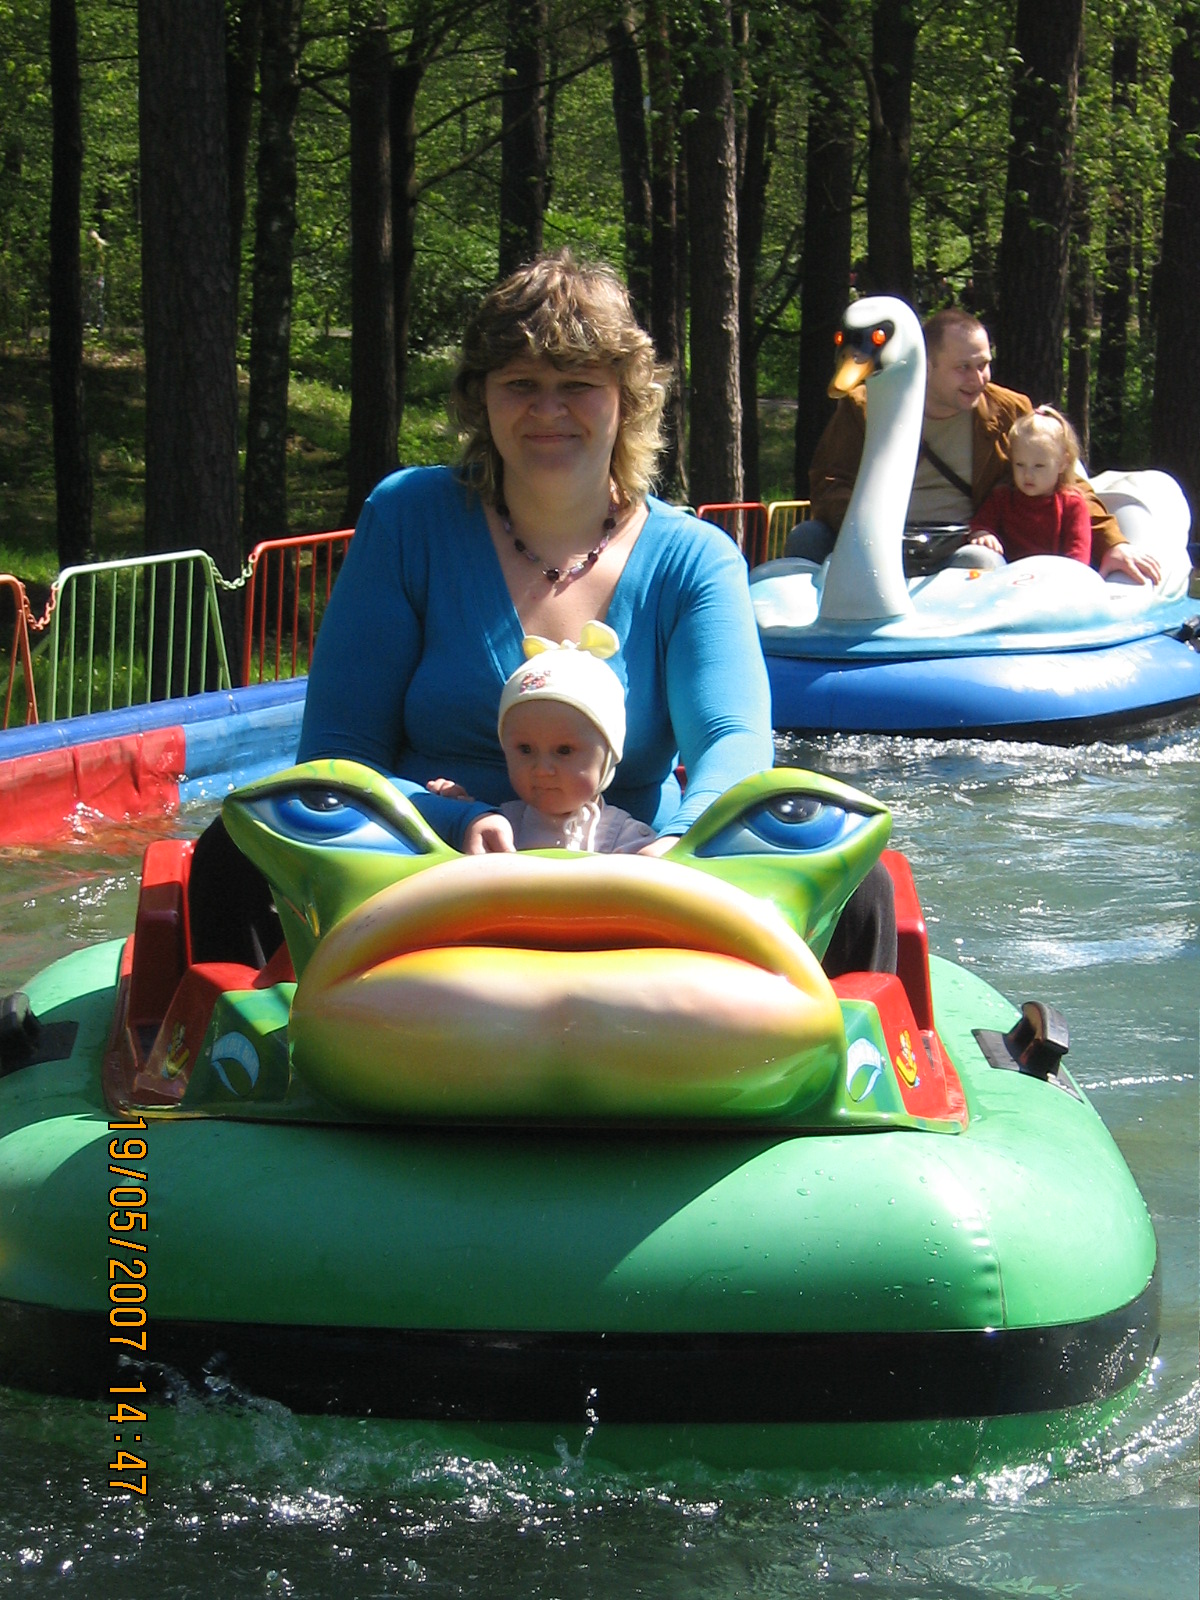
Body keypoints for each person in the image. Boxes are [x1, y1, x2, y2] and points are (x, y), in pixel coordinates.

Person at [191, 250, 894, 976]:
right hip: (424, 868)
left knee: (863, 881)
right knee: (232, 849)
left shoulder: (694, 558)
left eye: (577, 385)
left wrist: (678, 846)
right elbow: (339, 750)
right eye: (521, 384)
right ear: (482, 398)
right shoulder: (408, 519)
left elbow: (732, 742)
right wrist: (458, 820)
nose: (548, 410)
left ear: (627, 398)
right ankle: (238, 1034)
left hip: (638, 877)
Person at [792, 307, 1160, 585]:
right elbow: (829, 482)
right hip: (877, 541)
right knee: (805, 539)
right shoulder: (864, 407)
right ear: (927, 366)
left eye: (983, 365)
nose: (978, 379)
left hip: (964, 541)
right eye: (963, 368)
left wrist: (1113, 543)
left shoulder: (1010, 409)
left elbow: (1067, 483)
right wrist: (871, 529)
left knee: (980, 563)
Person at [428, 620, 659, 853]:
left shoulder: (627, 839)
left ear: (609, 755)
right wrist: (453, 808)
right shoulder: (500, 825)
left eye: (564, 750)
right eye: (525, 749)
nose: (542, 770)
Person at [966, 407, 1092, 566]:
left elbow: (1078, 555)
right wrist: (982, 534)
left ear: (1062, 463)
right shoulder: (1002, 498)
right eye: (1020, 464)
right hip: (1007, 575)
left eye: (1039, 466)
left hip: (1053, 575)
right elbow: (979, 524)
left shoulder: (1072, 504)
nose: (1027, 475)